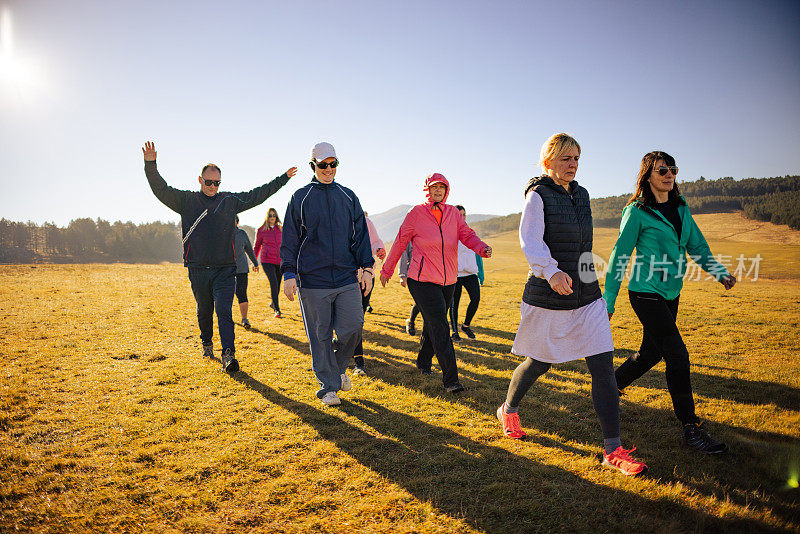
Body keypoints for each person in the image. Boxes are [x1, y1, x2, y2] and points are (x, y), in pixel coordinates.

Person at [497, 133, 647, 477]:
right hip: (549, 295)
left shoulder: (582, 195)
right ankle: (508, 408)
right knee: (540, 362)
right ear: (548, 161)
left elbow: (582, 244)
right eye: (565, 158)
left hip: (587, 294)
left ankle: (613, 449)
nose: (573, 164)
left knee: (603, 366)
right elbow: (530, 241)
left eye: (577, 158)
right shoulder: (538, 196)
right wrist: (551, 273)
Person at [603, 151, 737, 454]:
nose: (669, 174)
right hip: (645, 291)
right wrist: (608, 300)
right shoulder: (636, 211)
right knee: (677, 354)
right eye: (662, 169)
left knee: (650, 353)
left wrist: (718, 272)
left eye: (672, 169)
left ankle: (609, 387)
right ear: (648, 175)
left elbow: (696, 244)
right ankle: (691, 428)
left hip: (671, 293)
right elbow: (619, 255)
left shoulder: (680, 207)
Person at [142, 141, 296, 373]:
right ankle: (206, 343)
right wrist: (150, 164)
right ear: (200, 180)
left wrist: (282, 179)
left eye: (217, 182)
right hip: (198, 268)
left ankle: (228, 355)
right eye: (209, 182)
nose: (213, 186)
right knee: (204, 309)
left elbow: (258, 195)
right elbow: (160, 190)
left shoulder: (229, 201)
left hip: (225, 269)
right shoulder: (187, 201)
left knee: (224, 311)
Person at [280, 142, 374, 406]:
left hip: (346, 278)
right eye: (323, 165)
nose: (329, 169)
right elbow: (290, 239)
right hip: (313, 281)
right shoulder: (301, 197)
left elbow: (361, 237)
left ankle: (336, 368)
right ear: (313, 166)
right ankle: (328, 387)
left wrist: (367, 268)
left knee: (354, 327)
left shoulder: (348, 196)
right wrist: (289, 274)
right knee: (319, 336)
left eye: (333, 164)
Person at [380, 173, 491, 393]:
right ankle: (451, 380)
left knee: (434, 323)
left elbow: (467, 235)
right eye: (434, 187)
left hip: (449, 279)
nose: (438, 190)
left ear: (447, 190)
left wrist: (481, 247)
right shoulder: (416, 213)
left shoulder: (453, 214)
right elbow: (401, 241)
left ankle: (422, 362)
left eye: (442, 187)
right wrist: (387, 269)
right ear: (427, 189)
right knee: (441, 326)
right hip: (421, 280)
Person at [350, 211, 386, 375]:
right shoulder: (337, 220)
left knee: (358, 320)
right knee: (350, 320)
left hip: (365, 276)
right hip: (344, 278)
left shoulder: (366, 222)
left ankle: (356, 358)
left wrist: (379, 249)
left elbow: (375, 241)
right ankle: (358, 360)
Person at [448, 205, 485, 342]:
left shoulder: (471, 232)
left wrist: (480, 273)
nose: (462, 217)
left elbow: (478, 254)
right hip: (455, 274)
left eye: (464, 215)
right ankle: (454, 332)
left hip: (470, 273)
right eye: (459, 215)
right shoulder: (448, 233)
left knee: (475, 299)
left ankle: (466, 326)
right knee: (454, 304)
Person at [254, 207, 283, 318]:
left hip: (279, 261)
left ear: (276, 217)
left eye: (274, 215)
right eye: (270, 215)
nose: (272, 217)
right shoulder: (261, 230)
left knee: (278, 284)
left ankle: (273, 303)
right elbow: (257, 246)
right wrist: (254, 261)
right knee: (274, 283)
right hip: (267, 261)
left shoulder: (280, 229)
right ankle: (277, 309)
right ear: (267, 217)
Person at [233, 215, 258, 329]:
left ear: (237, 222)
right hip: (224, 269)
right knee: (226, 294)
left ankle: (244, 318)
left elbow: (248, 249)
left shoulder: (242, 234)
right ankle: (226, 317)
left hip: (241, 269)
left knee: (241, 293)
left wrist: (255, 263)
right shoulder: (221, 233)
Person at [398, 243, 420, 336]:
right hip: (414, 274)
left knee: (427, 301)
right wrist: (402, 275)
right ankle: (411, 321)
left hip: (433, 273)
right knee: (421, 300)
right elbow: (403, 253)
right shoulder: (411, 230)